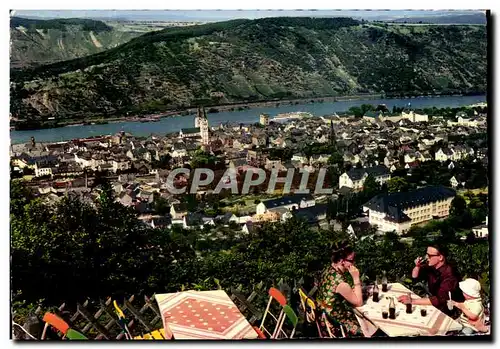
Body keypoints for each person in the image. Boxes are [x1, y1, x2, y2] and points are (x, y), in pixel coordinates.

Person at [397, 244, 463, 316]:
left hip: (451, 310)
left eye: (429, 255)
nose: (427, 258)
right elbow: (415, 278)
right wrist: (417, 266)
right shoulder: (432, 267)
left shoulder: (450, 275)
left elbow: (440, 299)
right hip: (437, 304)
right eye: (426, 255)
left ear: (440, 257)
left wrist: (413, 301)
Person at [315, 241, 363, 337]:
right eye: (351, 260)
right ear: (342, 261)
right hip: (335, 321)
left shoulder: (328, 269)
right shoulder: (340, 283)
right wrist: (356, 278)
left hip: (323, 314)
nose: (354, 263)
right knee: (366, 328)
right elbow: (359, 303)